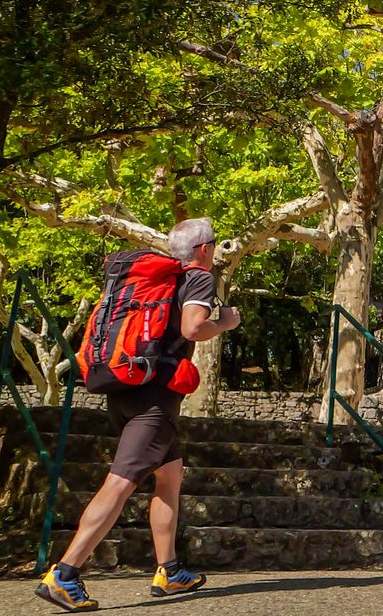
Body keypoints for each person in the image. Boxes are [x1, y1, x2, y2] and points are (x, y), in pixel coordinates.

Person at [37, 218, 241, 612]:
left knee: (170, 474)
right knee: (121, 481)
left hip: (125, 388)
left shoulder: (155, 282)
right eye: (214, 244)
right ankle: (65, 573)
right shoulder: (197, 277)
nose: (214, 250)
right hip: (154, 398)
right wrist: (225, 322)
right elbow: (194, 328)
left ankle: (170, 571)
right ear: (203, 249)